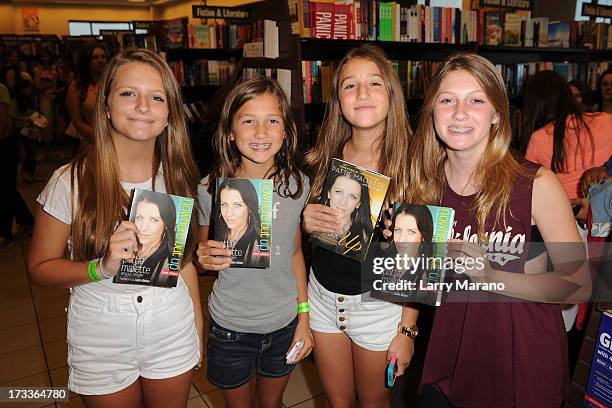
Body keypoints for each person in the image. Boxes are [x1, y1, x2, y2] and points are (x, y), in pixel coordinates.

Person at [403, 53, 589, 407]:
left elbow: (578, 284)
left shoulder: (536, 184)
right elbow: (425, 282)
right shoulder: (423, 184)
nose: (460, 112)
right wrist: (401, 250)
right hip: (451, 355)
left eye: (476, 100)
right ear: (432, 113)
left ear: (497, 116)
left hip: (522, 362)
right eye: (447, 100)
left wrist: (491, 275)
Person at [28, 48, 203, 407]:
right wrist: (100, 266)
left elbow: (183, 263)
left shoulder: (178, 177)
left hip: (171, 326)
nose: (143, 106)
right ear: (105, 104)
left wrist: (196, 329)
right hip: (101, 334)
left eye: (156, 97)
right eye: (128, 93)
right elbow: (40, 269)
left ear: (169, 113)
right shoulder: (71, 182)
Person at [302, 43, 417, 408]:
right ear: (337, 98)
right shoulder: (321, 157)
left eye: (374, 83)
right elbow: (303, 240)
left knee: (374, 403)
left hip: (380, 306)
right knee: (338, 403)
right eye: (350, 85)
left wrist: (407, 329)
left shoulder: (415, 162)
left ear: (392, 94)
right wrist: (307, 224)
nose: (362, 93)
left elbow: (421, 259)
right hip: (321, 298)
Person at [196, 75, 312, 408]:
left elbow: (294, 255)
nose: (260, 132)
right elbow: (204, 253)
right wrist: (202, 257)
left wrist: (303, 318)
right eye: (248, 121)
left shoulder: (298, 187)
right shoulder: (210, 187)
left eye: (272, 121)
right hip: (230, 326)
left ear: (286, 131)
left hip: (283, 323)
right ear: (231, 132)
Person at [521, 70, 612, 203]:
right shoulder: (606, 120)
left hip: (565, 213)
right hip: (605, 212)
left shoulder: (539, 138)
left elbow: (528, 192)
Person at [0, 80, 33, 250]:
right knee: (6, 189)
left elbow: (3, 121)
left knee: (5, 189)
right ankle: (26, 220)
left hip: (4, 145)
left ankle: (5, 232)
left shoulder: (1, 89)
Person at [124, 190, 177, 286]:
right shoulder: (126, 246)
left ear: (166, 224)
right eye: (139, 217)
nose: (144, 227)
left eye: (153, 220)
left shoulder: (168, 265)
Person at [214, 177, 264, 267]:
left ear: (249, 208)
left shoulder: (257, 245)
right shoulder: (218, 234)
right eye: (224, 204)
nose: (229, 213)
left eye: (237, 205)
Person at [66, 41, 107, 145]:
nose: (101, 60)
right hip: (91, 142)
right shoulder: (77, 87)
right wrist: (101, 137)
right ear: (87, 61)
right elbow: (77, 122)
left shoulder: (112, 83)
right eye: (95, 57)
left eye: (103, 56)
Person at [320, 171, 373, 245]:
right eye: (339, 192)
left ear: (358, 203)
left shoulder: (365, 236)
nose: (343, 202)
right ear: (329, 193)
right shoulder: (313, 221)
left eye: (352, 197)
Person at [33, 47, 57, 143]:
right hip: (44, 98)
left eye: (47, 56)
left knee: (56, 121)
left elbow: (54, 86)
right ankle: (46, 142)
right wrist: (48, 84)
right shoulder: (37, 70)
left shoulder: (54, 68)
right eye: (43, 56)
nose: (45, 59)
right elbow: (38, 86)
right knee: (46, 120)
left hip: (54, 97)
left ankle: (55, 143)